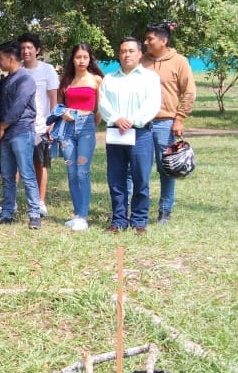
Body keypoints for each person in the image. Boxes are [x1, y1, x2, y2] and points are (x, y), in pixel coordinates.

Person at [98, 37, 162, 234]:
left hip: (140, 133)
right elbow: (103, 103)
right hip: (116, 133)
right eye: (123, 51)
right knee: (115, 178)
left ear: (140, 54)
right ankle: (118, 220)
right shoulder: (109, 79)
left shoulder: (150, 78)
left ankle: (139, 221)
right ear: (119, 54)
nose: (127, 55)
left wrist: (132, 120)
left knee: (140, 177)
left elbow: (152, 104)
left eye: (131, 51)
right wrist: (117, 119)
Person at [142, 22, 197, 224]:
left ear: (163, 40)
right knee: (137, 169)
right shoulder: (141, 61)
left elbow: (189, 92)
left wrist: (179, 118)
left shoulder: (179, 61)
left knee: (166, 168)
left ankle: (164, 211)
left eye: (150, 39)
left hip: (165, 124)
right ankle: (136, 209)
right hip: (140, 124)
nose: (145, 42)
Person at [51, 44, 103, 232]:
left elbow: (100, 109)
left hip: (86, 127)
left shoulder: (96, 79)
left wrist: (92, 124)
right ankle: (77, 214)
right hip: (67, 129)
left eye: (85, 57)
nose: (81, 61)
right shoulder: (66, 80)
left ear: (90, 59)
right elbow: (59, 105)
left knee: (82, 172)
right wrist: (63, 113)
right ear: (72, 59)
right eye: (78, 57)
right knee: (71, 172)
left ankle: (83, 216)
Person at [0, 41, 42, 229]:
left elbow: (18, 107)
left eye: (1, 58)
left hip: (21, 131)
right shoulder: (5, 80)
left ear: (11, 59)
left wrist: (2, 127)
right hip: (6, 134)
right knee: (7, 175)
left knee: (27, 173)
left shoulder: (25, 79)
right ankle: (7, 212)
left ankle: (34, 214)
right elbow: (0, 108)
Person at [19, 33, 59, 216]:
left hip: (41, 126)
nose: (26, 51)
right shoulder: (18, 70)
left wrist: (52, 122)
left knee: (40, 164)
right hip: (20, 126)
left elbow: (53, 99)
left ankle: (40, 202)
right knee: (17, 165)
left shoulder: (47, 70)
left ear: (37, 50)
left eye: (29, 48)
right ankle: (11, 202)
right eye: (22, 48)